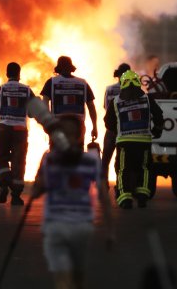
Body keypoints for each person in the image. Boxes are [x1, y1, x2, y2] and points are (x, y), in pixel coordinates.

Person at [32, 117, 113, 289]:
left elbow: (36, 191)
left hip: (55, 225)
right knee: (78, 275)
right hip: (81, 227)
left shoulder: (49, 159)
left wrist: (40, 179)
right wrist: (110, 231)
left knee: (63, 279)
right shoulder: (91, 160)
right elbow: (104, 197)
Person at [104, 70, 164, 209]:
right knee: (144, 168)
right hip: (143, 141)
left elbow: (108, 123)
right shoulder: (148, 99)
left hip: (124, 143)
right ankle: (142, 196)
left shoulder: (115, 101)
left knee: (123, 169)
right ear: (138, 83)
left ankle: (124, 198)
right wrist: (157, 130)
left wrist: (117, 130)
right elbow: (159, 115)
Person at [0, 62, 34, 205]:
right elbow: (33, 113)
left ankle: (4, 183)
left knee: (0, 158)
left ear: (6, 74)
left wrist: (5, 118)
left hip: (3, 128)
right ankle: (16, 196)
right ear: (19, 74)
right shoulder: (27, 91)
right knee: (19, 161)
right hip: (20, 131)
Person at [41, 56, 98, 143]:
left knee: (57, 154)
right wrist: (94, 127)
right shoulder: (83, 83)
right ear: (71, 67)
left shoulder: (51, 82)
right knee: (77, 154)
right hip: (78, 126)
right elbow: (91, 107)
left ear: (59, 68)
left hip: (57, 125)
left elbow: (44, 103)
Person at [101, 63, 131, 177]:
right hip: (127, 130)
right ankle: (121, 184)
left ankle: (104, 184)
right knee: (122, 160)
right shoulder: (134, 91)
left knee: (105, 160)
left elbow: (105, 106)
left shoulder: (109, 89)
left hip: (111, 129)